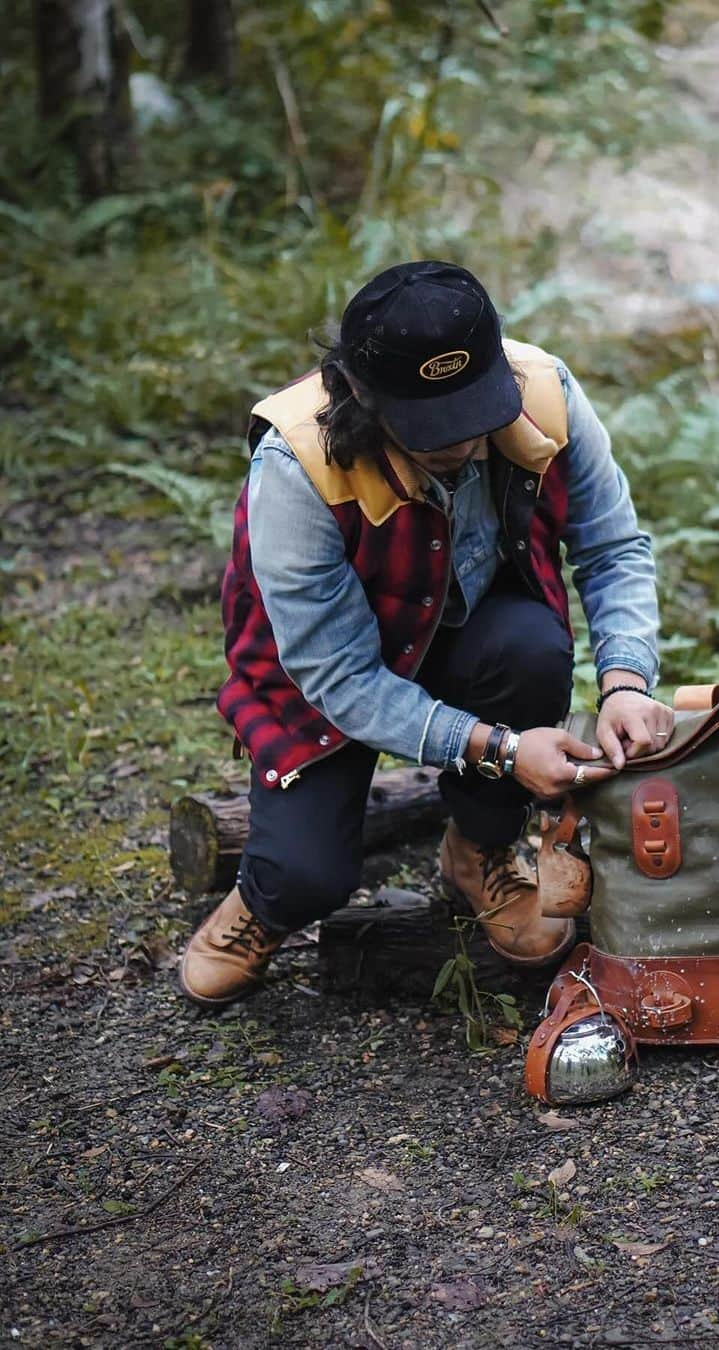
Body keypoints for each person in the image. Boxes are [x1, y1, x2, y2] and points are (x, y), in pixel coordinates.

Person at [179, 260, 673, 1008]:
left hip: (470, 640)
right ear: (358, 396)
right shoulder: (294, 467)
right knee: (308, 875)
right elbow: (339, 676)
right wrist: (504, 750)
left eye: (476, 413)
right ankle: (262, 901)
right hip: (325, 680)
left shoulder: (546, 395)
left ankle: (478, 850)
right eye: (434, 430)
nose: (467, 444)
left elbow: (613, 547)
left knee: (531, 651)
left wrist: (627, 683)